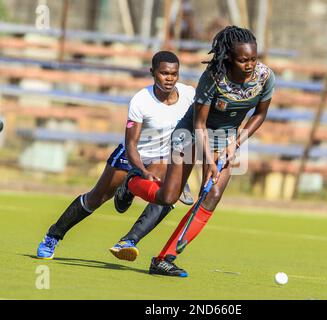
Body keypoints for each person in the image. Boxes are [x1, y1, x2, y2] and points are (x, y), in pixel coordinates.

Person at [115, 26, 276, 277]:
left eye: (253, 58)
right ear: (230, 58)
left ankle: (164, 259)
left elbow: (260, 114)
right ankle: (131, 183)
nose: (250, 65)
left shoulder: (265, 77)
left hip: (226, 137)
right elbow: (199, 124)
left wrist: (235, 144)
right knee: (168, 198)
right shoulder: (213, 78)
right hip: (191, 133)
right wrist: (210, 161)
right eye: (243, 60)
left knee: (211, 194)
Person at [36, 51, 195, 261]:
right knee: (96, 198)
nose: (169, 79)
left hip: (162, 158)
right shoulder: (141, 100)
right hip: (133, 155)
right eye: (164, 73)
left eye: (174, 74)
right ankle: (52, 236)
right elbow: (131, 144)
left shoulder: (189, 95)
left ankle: (129, 240)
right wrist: (141, 171)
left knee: (168, 196)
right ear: (152, 73)